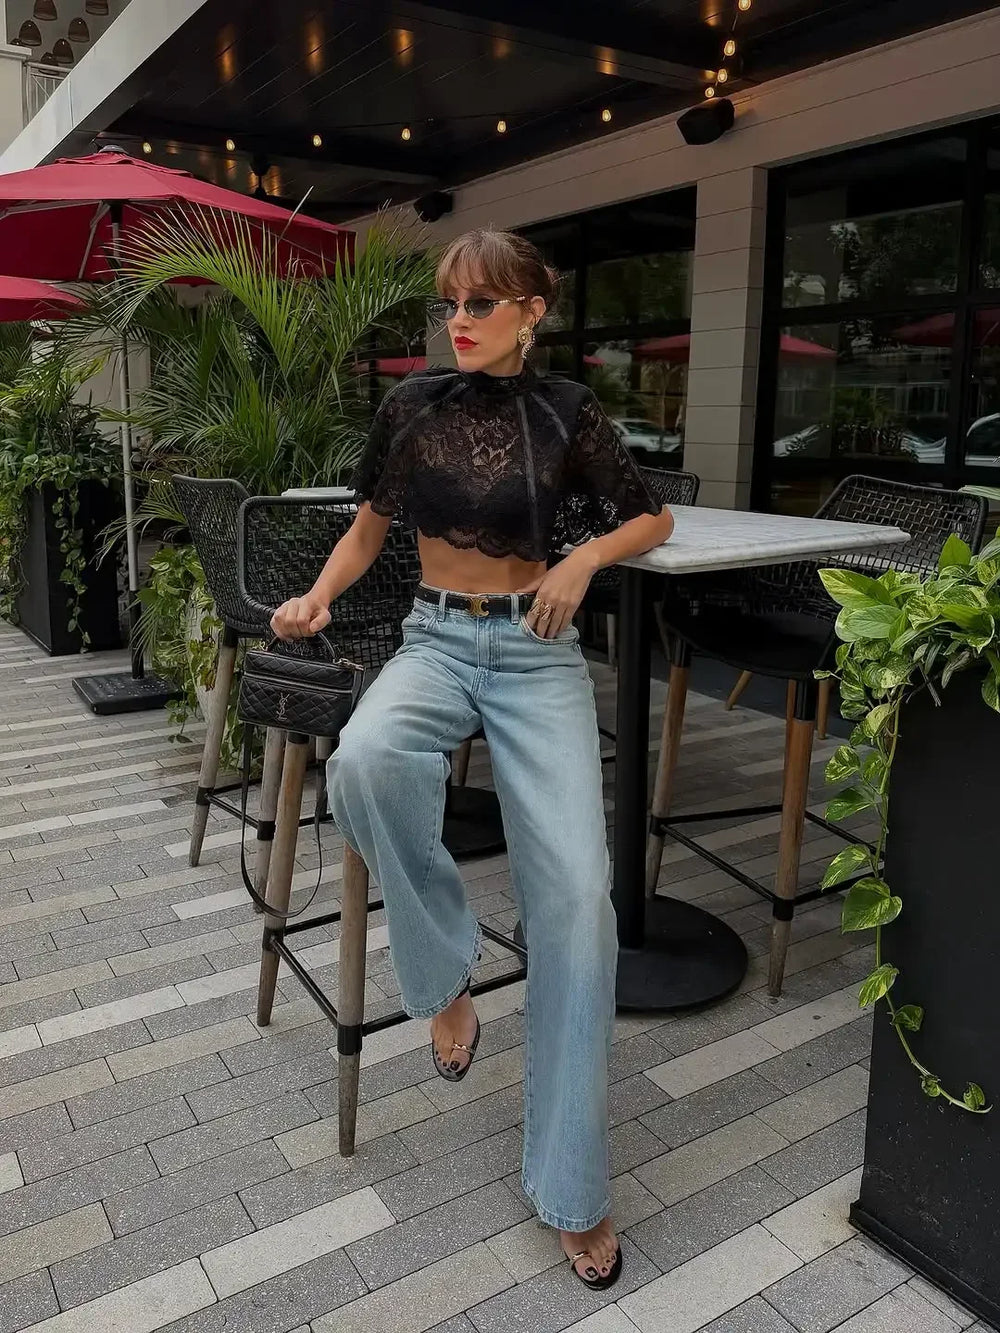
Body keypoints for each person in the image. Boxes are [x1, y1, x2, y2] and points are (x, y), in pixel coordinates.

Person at [270, 228, 675, 1289]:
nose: (458, 320)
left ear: (532, 311)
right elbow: (368, 532)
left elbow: (652, 517)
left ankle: (572, 1186)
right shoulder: (411, 406)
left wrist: (584, 558)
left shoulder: (568, 412)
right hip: (436, 640)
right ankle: (445, 972)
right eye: (450, 303)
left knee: (579, 902)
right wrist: (318, 595)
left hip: (537, 654)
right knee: (364, 761)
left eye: (481, 303)